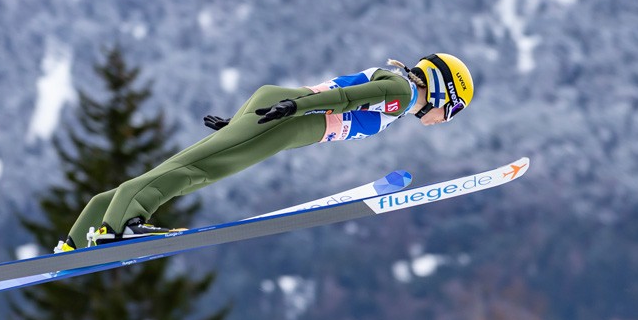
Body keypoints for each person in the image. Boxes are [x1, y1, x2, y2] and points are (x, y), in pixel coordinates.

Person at [55, 53, 474, 252]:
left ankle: (84, 232)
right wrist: (293, 107)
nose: (445, 119)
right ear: (443, 91)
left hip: (280, 114)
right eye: (452, 110)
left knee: (198, 165)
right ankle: (122, 225)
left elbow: (339, 94)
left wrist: (245, 120)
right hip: (287, 119)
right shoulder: (402, 93)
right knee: (196, 169)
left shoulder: (399, 93)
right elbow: (346, 98)